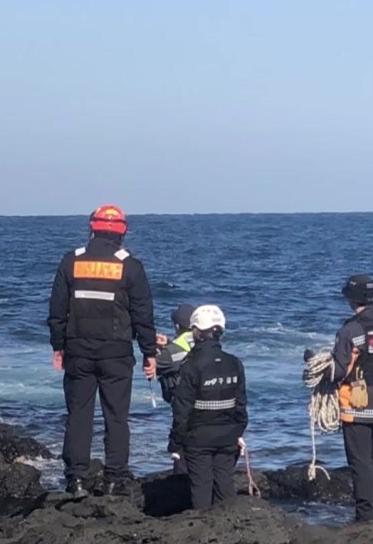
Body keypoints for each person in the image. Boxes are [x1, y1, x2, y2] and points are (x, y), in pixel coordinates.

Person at [47, 205, 158, 496]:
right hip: (117, 353)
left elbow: (57, 309)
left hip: (78, 351)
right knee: (116, 416)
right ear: (123, 232)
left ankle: (76, 479)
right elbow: (143, 314)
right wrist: (149, 352)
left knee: (78, 415)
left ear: (92, 228)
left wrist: (58, 345)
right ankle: (114, 479)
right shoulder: (131, 266)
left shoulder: (72, 261)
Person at [167, 305, 248, 511]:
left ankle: (204, 527)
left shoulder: (191, 365)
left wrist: (175, 444)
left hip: (199, 439)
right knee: (225, 486)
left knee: (201, 488)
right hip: (228, 437)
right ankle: (231, 524)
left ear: (196, 332)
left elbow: (182, 410)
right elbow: (241, 406)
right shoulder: (234, 363)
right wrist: (237, 432)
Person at [332, 274, 373, 522]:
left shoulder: (351, 330)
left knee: (359, 461)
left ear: (352, 299)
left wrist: (314, 363)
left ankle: (365, 515)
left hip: (358, 404)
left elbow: (339, 371)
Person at [156, 304, 196, 474]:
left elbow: (154, 365)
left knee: (182, 453)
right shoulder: (202, 340)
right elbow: (185, 353)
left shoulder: (171, 351)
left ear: (177, 326)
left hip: (183, 408)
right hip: (206, 405)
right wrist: (169, 344)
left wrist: (155, 349)